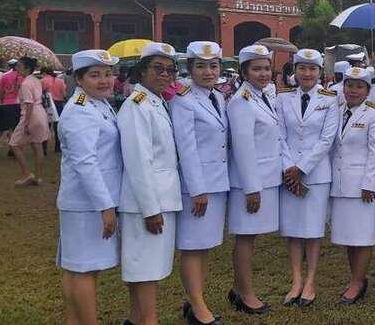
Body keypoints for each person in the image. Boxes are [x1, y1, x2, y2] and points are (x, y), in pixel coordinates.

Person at [117, 42, 182, 325]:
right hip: (147, 202)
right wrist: (150, 209)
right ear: (142, 71)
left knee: (145, 267)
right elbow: (138, 162)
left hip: (161, 197)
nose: (165, 74)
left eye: (170, 70)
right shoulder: (137, 105)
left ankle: (136, 319)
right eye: (158, 68)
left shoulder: (155, 101)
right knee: (145, 269)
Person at [56, 49, 122, 325]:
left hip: (90, 202)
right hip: (86, 205)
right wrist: (105, 207)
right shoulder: (80, 111)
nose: (104, 80)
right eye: (95, 75)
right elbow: (86, 163)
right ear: (79, 79)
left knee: (79, 269)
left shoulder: (99, 104)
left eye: (108, 74)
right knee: (83, 270)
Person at [169, 41, 229, 325]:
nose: (208, 72)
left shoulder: (217, 96)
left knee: (205, 245)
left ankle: (195, 301)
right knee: (193, 246)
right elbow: (186, 147)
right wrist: (197, 189)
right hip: (199, 186)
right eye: (201, 66)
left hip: (217, 183)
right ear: (190, 69)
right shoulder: (183, 99)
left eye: (213, 66)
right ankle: (198, 308)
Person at [277, 48, 340, 308]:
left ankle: (311, 281)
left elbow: (327, 139)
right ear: (294, 71)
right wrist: (289, 168)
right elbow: (279, 135)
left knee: (313, 231)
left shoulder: (330, 99)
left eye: (312, 69)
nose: (307, 73)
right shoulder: (283, 98)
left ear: (320, 72)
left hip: (316, 174)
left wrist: (301, 168)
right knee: (293, 230)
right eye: (302, 68)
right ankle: (296, 280)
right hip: (288, 173)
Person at [227, 44, 285, 315]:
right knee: (246, 237)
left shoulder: (260, 96)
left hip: (265, 179)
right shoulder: (242, 101)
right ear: (244, 72)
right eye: (256, 69)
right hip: (251, 183)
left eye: (266, 68)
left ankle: (239, 289)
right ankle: (246, 294)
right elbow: (243, 148)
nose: (263, 74)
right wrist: (252, 189)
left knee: (251, 236)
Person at [330, 66, 375, 305]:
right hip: (341, 184)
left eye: (359, 86)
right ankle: (356, 279)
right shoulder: (337, 111)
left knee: (362, 237)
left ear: (368, 90)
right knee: (348, 236)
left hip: (363, 187)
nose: (353, 90)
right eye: (349, 85)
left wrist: (369, 184)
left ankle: (357, 282)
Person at [8, 57, 50, 186]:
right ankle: (38, 177)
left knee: (14, 144)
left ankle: (27, 174)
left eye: (19, 66)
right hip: (40, 113)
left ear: (27, 68)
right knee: (37, 145)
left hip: (30, 115)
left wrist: (26, 123)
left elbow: (29, 104)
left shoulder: (26, 83)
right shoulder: (36, 80)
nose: (16, 69)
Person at [41, 67, 67, 152]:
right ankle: (58, 147)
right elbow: (64, 94)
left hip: (47, 104)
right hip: (58, 104)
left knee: (46, 126)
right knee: (58, 127)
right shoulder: (60, 81)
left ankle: (44, 148)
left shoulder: (42, 81)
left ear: (44, 73)